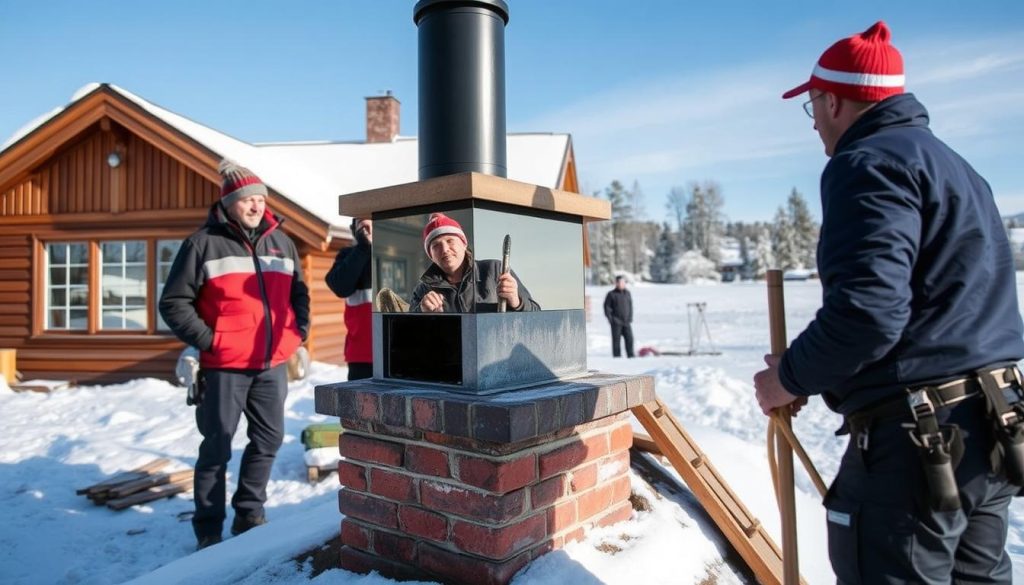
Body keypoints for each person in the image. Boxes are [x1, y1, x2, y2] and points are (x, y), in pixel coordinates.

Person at [753, 21, 1024, 584]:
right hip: (991, 426)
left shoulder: (866, 163)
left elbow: (869, 313)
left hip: (920, 442)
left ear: (833, 100)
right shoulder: (956, 167)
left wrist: (792, 377)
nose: (815, 126)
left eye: (812, 108)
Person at [159, 159, 310, 550]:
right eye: (247, 200)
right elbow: (174, 302)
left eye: (261, 198)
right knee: (217, 447)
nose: (256, 205)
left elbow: (299, 294)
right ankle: (208, 527)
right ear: (229, 203)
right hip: (224, 367)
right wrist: (213, 341)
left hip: (272, 364)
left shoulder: (282, 242)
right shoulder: (202, 244)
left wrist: (298, 333)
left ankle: (249, 512)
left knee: (269, 440)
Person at [410, 212, 539, 313]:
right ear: (431, 255)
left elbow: (537, 313)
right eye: (436, 246)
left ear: (464, 244)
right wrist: (421, 313)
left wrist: (517, 302)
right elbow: (403, 333)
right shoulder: (422, 290)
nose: (445, 250)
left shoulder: (495, 270)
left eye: (450, 241)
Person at [325, 218, 373, 380]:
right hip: (361, 355)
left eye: (373, 222)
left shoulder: (395, 252)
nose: (369, 228)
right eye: (363, 224)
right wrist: (363, 249)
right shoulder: (348, 255)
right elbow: (339, 286)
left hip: (396, 353)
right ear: (355, 229)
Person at [603, 275, 634, 358]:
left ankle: (631, 355)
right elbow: (607, 308)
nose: (621, 284)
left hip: (626, 321)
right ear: (616, 283)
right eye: (619, 282)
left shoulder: (627, 293)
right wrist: (611, 320)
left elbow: (630, 306)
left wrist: (630, 317)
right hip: (616, 322)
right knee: (616, 341)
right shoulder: (611, 294)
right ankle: (617, 357)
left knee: (630, 339)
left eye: (623, 282)